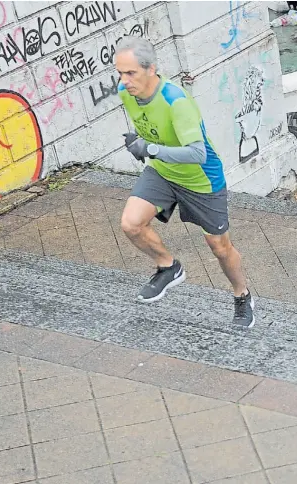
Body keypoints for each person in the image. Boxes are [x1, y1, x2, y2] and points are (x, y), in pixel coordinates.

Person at [114, 37, 254, 328]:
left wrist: (150, 149)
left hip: (201, 180)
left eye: (131, 73)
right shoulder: (126, 93)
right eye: (120, 73)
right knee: (131, 223)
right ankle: (169, 267)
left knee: (219, 248)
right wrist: (141, 142)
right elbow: (151, 127)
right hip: (164, 173)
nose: (124, 81)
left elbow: (197, 153)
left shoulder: (176, 102)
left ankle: (242, 295)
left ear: (151, 69)